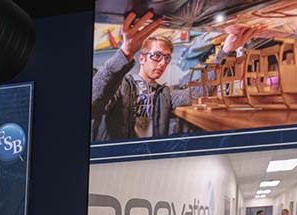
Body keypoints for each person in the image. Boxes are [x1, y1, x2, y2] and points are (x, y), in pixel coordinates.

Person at [91, 12, 261, 141]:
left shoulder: (165, 95)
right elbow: (93, 101)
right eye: (157, 56)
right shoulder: (120, 87)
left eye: (167, 58)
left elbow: (201, 90)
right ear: (141, 59)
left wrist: (226, 52)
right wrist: (124, 53)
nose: (162, 63)